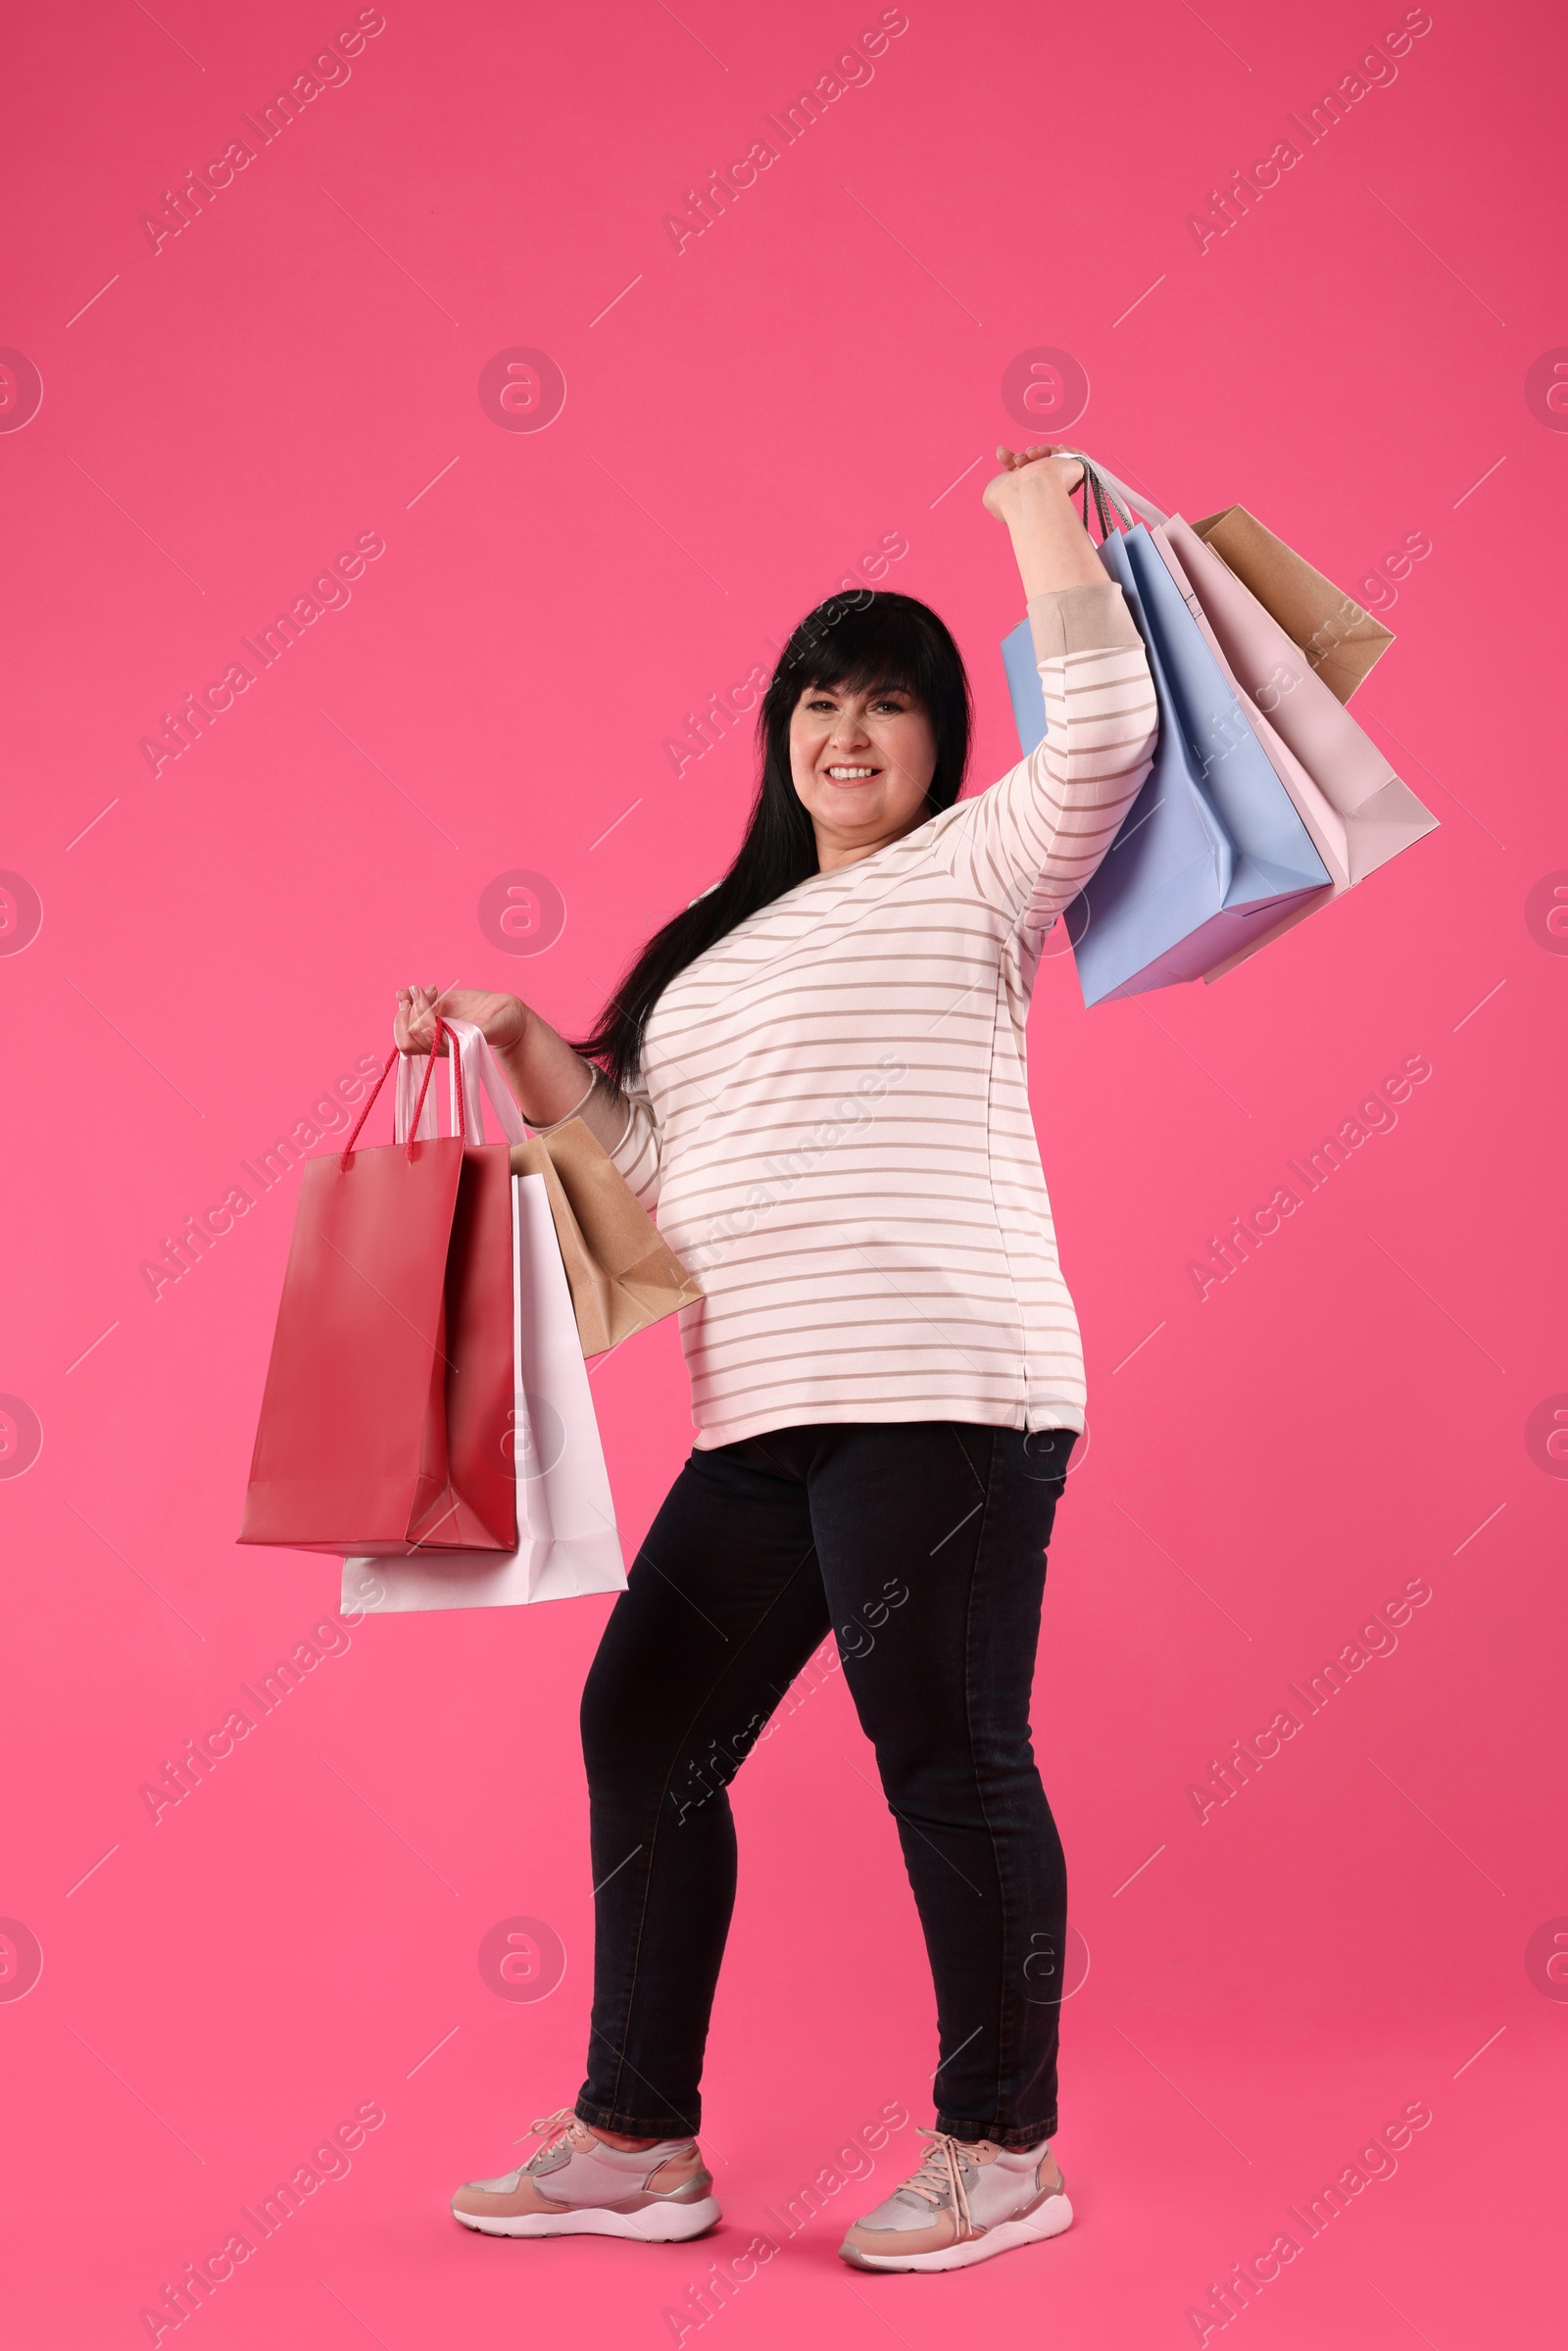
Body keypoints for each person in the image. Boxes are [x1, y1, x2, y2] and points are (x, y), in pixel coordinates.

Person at [397, 443, 1157, 2273]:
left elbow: (1112, 738)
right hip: (767, 1410)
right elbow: (644, 1169)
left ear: (937, 743)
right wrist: (516, 1037)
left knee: (945, 1751)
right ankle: (639, 2141)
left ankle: (1000, 2148)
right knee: (644, 1728)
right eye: (823, 698)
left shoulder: (984, 866)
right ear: (781, 733)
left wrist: (1030, 516)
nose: (850, 729)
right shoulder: (712, 951)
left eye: (891, 704)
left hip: (946, 1394)